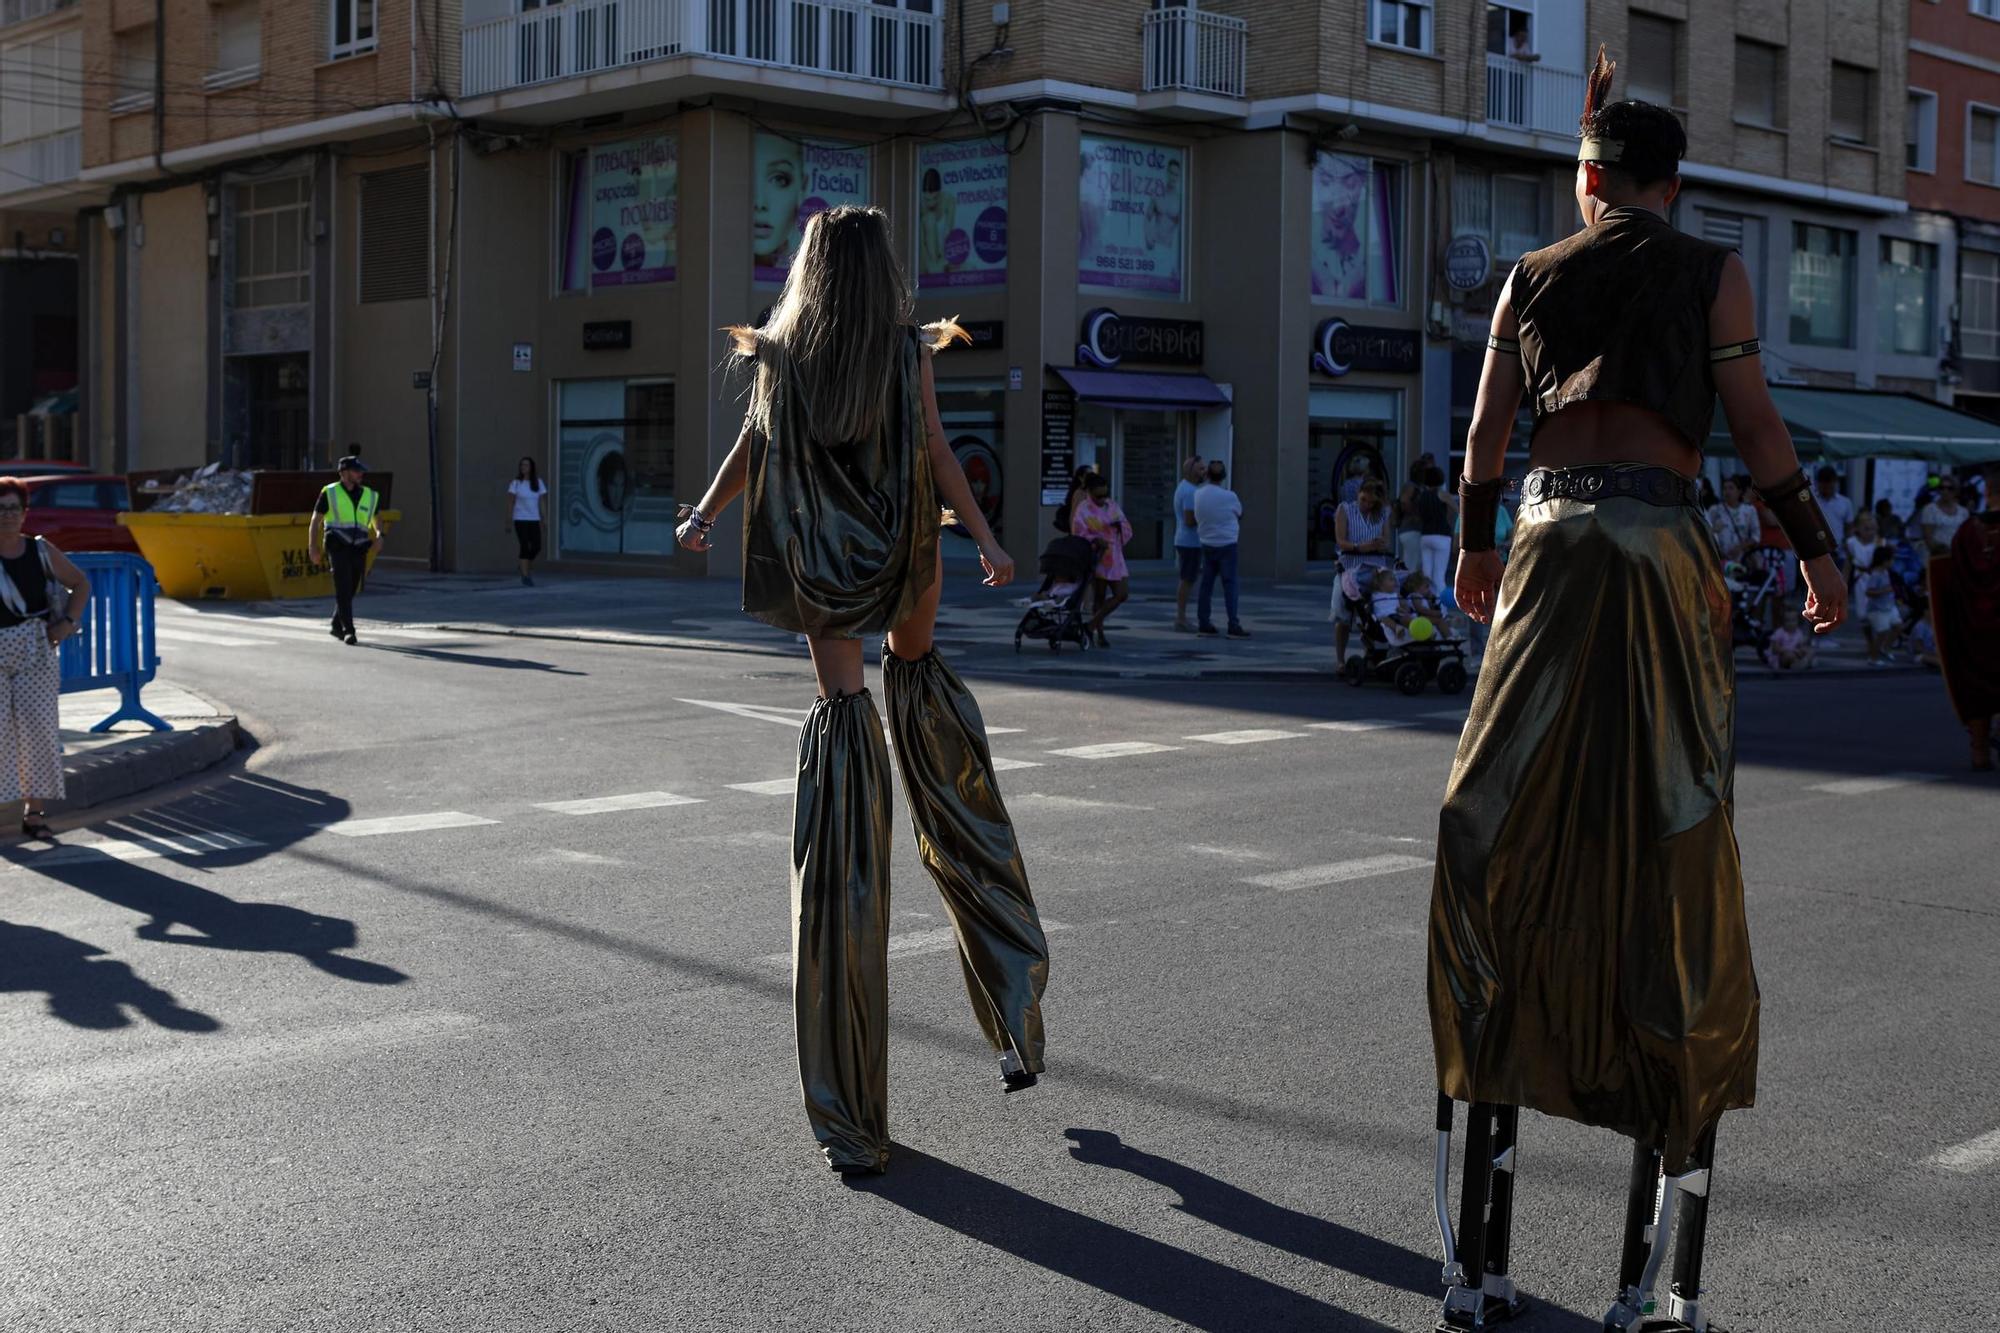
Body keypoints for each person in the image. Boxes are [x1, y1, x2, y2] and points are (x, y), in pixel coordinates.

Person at [1428, 52, 1845, 1333]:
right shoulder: (1710, 269)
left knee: (1486, 831)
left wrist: (1471, 541)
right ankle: (1653, 1282)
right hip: (1661, 551)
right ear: (1676, 181)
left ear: (1591, 176)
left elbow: (1486, 436)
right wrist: (1813, 545)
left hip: (1549, 543)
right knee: (1675, 839)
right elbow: (1758, 429)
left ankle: (1477, 1260)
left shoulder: (1531, 273)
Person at [672, 205, 1050, 1177]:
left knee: (844, 795)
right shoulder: (902, 350)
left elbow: (752, 454)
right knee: (942, 766)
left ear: (807, 266)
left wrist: (700, 518)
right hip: (904, 556)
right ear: (881, 268)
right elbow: (934, 454)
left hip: (820, 571)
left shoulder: (780, 353)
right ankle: (1009, 1008)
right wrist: (990, 539)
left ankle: (849, 1111)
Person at [0, 477, 87, 840]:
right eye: (0, 509)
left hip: (35, 648)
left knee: (38, 730)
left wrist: (66, 624)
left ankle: (34, 813)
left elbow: (80, 583)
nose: (6, 516)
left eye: (13, 509)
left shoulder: (39, 550)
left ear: (25, 514)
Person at [1931, 463, 2000, 770]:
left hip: (1973, 628)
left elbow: (1952, 583)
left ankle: (1980, 750)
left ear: (1987, 492)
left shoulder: (1965, 533)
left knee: (1976, 687)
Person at [309, 456, 382, 646]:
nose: (361, 474)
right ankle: (349, 631)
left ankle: (335, 623)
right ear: (344, 473)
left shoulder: (369, 494)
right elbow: (315, 521)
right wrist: (313, 547)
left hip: (359, 546)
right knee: (342, 587)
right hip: (337, 545)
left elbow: (376, 517)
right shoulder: (330, 492)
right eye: (357, 471)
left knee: (352, 587)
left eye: (361, 471)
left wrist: (380, 534)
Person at [1332, 477, 1394, 664]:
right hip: (1350, 566)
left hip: (1375, 568)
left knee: (1375, 614)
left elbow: (1386, 540)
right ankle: (1340, 660)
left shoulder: (1382, 513)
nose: (1366, 504)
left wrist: (1380, 545)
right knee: (1342, 616)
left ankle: (1374, 652)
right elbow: (1341, 541)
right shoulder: (1345, 509)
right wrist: (1360, 547)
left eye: (1371, 501)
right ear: (1358, 495)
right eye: (1363, 500)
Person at [1070, 472, 1133, 648]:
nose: (1102, 499)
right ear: (1089, 492)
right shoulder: (1083, 509)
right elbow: (1079, 532)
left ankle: (1090, 625)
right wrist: (1095, 539)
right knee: (1099, 596)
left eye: (1105, 495)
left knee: (1122, 594)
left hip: (1114, 555)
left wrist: (1119, 527)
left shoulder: (1111, 505)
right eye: (1098, 496)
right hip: (1097, 556)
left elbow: (1125, 524)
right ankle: (1100, 633)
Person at [1192, 459, 1249, 638]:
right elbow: (1239, 513)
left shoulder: (1198, 494)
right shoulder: (1230, 496)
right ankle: (1233, 623)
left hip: (1207, 543)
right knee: (1230, 585)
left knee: (1206, 585)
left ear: (1207, 474)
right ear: (1223, 476)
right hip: (1227, 544)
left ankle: (1203, 622)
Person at [1173, 454, 1205, 632]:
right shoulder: (1190, 492)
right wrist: (1208, 518)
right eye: (1201, 469)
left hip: (1187, 541)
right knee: (1187, 579)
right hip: (1189, 542)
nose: (1204, 472)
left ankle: (1181, 616)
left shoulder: (1186, 488)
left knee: (1188, 578)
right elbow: (1189, 520)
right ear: (1191, 471)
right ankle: (1181, 617)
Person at [1414, 464, 1458, 592]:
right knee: (1439, 576)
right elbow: (1457, 509)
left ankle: (1426, 603)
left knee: (1426, 574)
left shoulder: (1421, 496)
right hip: (1441, 535)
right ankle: (1439, 606)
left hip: (1425, 535)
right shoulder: (1442, 494)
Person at [1857, 545, 1903, 665]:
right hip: (1877, 609)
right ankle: (1873, 657)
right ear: (1885, 560)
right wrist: (1884, 590)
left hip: (1889, 606)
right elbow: (1869, 592)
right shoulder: (1876, 574)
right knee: (1882, 632)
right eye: (1891, 559)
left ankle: (1885, 648)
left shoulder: (1886, 572)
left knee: (1898, 626)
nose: (1893, 562)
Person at [507, 456, 547, 587]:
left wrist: (544, 519)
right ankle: (525, 576)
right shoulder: (516, 483)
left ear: (531, 468)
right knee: (524, 546)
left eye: (526, 465)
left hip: (534, 519)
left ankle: (523, 564)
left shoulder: (538, 483)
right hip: (520, 519)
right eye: (522, 465)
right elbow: (511, 502)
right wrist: (508, 520)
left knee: (536, 547)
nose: (523, 467)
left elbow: (541, 502)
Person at [1917, 475, 1971, 555]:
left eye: (1950, 488)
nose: (1945, 491)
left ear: (1956, 491)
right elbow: (1928, 538)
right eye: (1942, 488)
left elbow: (1966, 536)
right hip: (1937, 555)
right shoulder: (1930, 510)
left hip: (1958, 555)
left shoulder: (1964, 512)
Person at [1814, 465, 1856, 555]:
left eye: (1829, 481)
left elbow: (1849, 528)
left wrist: (1847, 545)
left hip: (1838, 552)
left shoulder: (1845, 502)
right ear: (1818, 483)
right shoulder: (1812, 502)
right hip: (1816, 551)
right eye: (1823, 482)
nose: (1827, 485)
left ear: (1835, 482)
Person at [1369, 567, 1411, 644]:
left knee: (1407, 618)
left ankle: (1420, 630)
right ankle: (1397, 628)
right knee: (1385, 619)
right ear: (1381, 584)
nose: (1395, 582)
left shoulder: (1395, 594)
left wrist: (1402, 608)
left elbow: (1400, 606)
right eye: (1391, 580)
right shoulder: (1376, 594)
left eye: (1394, 579)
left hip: (1396, 614)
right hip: (1383, 617)